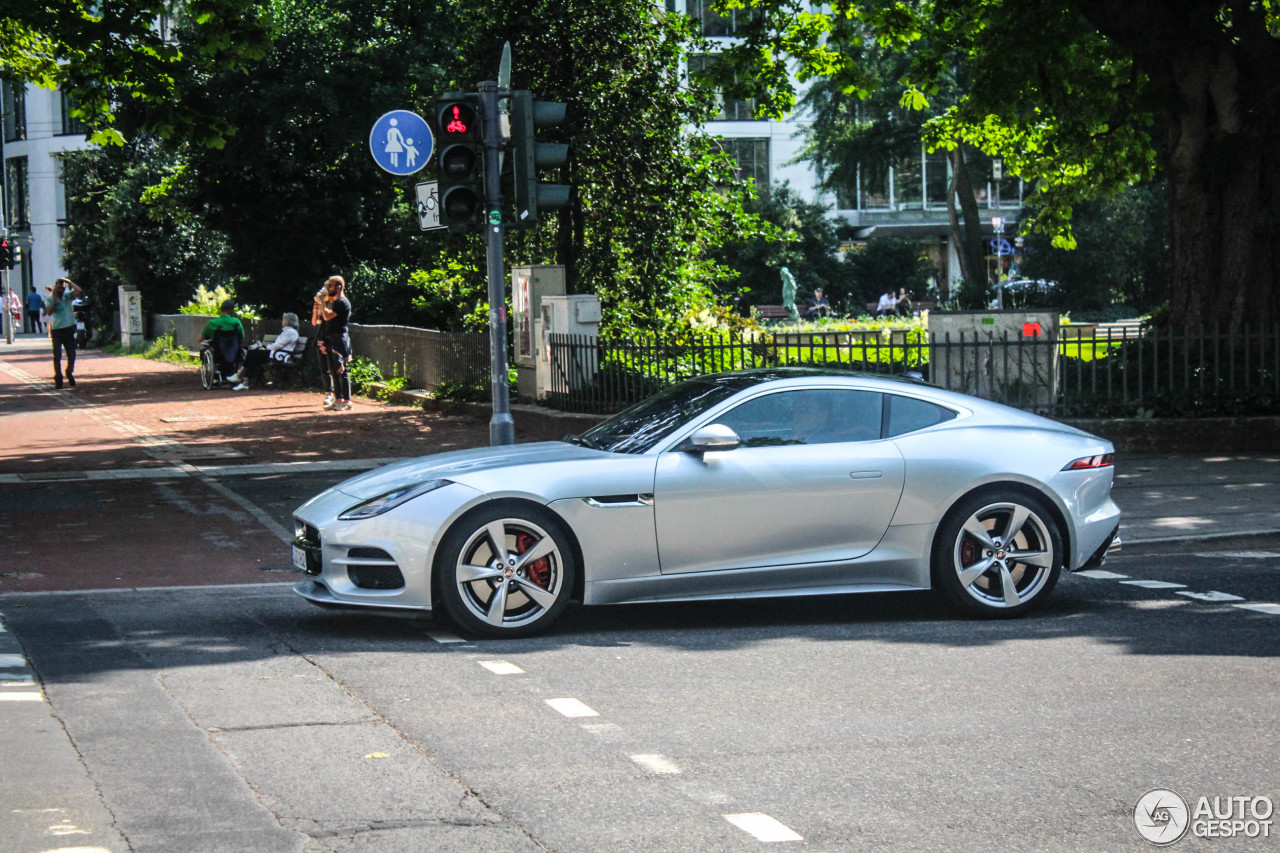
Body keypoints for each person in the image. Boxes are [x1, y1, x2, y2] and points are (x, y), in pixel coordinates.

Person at [230, 313, 300, 390]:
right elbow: (278, 345)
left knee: (253, 353)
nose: (282, 321)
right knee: (254, 356)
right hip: (276, 353)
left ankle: (239, 375)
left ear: (287, 321)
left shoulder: (291, 332)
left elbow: (279, 345)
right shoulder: (287, 332)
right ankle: (245, 382)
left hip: (281, 355)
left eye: (283, 319)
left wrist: (266, 348)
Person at [315, 275, 352, 411]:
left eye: (330, 285)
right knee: (333, 371)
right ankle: (338, 400)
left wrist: (322, 303)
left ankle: (347, 401)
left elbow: (327, 316)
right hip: (332, 339)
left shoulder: (342, 302)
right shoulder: (336, 303)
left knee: (341, 370)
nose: (328, 288)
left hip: (339, 340)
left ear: (338, 287)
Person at [45, 278, 83, 388]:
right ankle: (58, 377)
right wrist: (54, 299)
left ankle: (69, 372)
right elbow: (49, 312)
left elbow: (78, 290)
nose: (61, 289)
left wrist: (69, 281)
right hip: (57, 329)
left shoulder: (67, 296)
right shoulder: (50, 298)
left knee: (72, 354)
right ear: (55, 287)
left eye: (63, 287)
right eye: (59, 287)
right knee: (57, 355)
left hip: (69, 328)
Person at [198, 298, 245, 382]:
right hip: (235, 352)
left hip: (218, 353)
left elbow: (200, 339)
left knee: (203, 352)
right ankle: (237, 373)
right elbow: (242, 336)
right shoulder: (236, 322)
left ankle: (215, 374)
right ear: (230, 310)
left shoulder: (212, 323)